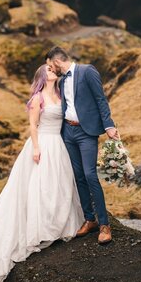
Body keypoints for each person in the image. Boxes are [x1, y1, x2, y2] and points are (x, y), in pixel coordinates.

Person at [0, 63, 84, 282]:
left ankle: (57, 221)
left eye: (55, 70)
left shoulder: (61, 95)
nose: (54, 72)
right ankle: (40, 227)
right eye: (50, 70)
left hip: (58, 145)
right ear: (43, 75)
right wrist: (35, 148)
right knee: (39, 187)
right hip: (42, 143)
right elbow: (33, 125)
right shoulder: (37, 98)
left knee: (59, 185)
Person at [46, 46, 118, 245]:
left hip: (87, 132)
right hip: (68, 132)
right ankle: (89, 219)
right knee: (78, 176)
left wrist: (109, 125)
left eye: (50, 64)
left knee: (89, 175)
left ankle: (104, 225)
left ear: (57, 61)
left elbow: (100, 99)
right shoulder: (60, 81)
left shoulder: (87, 71)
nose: (49, 68)